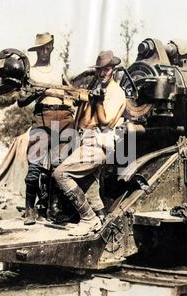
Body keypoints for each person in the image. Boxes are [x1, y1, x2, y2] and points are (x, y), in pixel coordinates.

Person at [53, 50, 127, 236]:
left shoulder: (116, 93)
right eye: (100, 70)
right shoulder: (96, 89)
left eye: (107, 69)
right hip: (86, 141)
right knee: (89, 187)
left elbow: (106, 121)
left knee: (60, 174)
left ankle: (89, 219)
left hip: (99, 144)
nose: (103, 73)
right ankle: (103, 223)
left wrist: (97, 101)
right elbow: (82, 119)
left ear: (113, 70)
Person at [17, 33, 75, 225]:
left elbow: (72, 91)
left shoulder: (59, 69)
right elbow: (21, 100)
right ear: (36, 51)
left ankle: (54, 210)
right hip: (42, 118)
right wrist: (36, 92)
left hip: (64, 118)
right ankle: (29, 209)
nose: (44, 51)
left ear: (51, 48)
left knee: (59, 167)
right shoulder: (31, 72)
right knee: (35, 165)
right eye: (40, 48)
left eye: (47, 47)